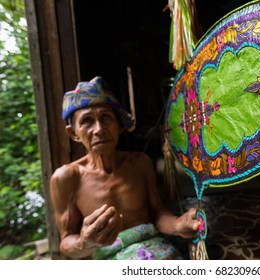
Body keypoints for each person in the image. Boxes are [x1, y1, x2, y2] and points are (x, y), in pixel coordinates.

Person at [50, 76, 199, 260]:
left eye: (106, 118)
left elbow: (157, 212)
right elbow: (65, 242)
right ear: (73, 133)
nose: (99, 129)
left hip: (156, 253)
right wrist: (85, 242)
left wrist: (177, 225)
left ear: (119, 125)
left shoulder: (140, 163)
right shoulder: (66, 178)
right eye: (87, 121)